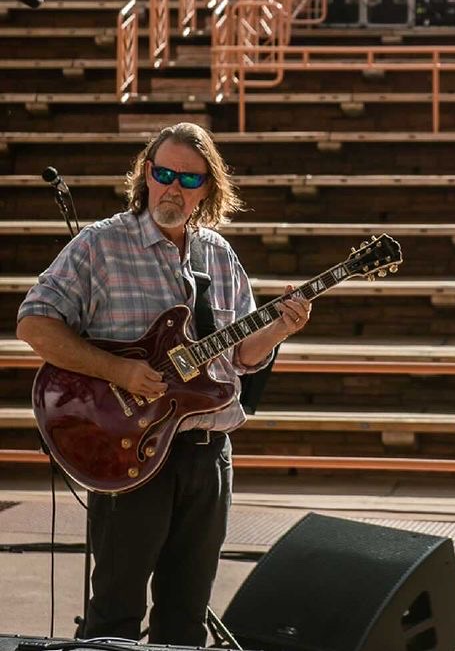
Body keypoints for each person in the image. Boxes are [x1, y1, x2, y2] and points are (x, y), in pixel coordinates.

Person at [17, 121, 311, 645]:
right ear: (145, 175)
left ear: (207, 190)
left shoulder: (218, 255)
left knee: (185, 618)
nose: (173, 187)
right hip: (127, 453)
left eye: (189, 179)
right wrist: (120, 371)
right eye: (164, 173)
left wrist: (279, 327)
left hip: (208, 453)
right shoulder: (100, 246)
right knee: (114, 614)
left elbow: (241, 356)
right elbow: (34, 323)